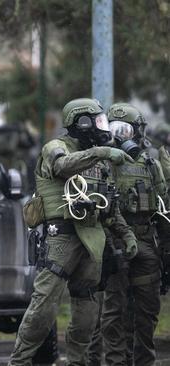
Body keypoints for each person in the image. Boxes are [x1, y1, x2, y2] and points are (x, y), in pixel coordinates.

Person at [9, 98, 137, 365]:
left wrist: (126, 234)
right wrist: (102, 152)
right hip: (61, 238)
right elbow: (62, 166)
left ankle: (76, 361)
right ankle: (19, 361)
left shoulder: (98, 159)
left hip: (92, 240)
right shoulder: (56, 147)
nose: (103, 127)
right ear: (82, 123)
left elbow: (108, 205)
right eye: (98, 121)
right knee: (43, 308)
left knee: (87, 312)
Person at [97, 103, 169, 365]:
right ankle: (117, 361)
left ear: (138, 133)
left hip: (146, 244)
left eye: (126, 131)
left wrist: (166, 252)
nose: (120, 136)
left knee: (147, 311)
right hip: (114, 244)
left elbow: (163, 210)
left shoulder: (151, 165)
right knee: (114, 310)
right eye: (115, 130)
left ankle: (143, 361)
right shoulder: (102, 161)